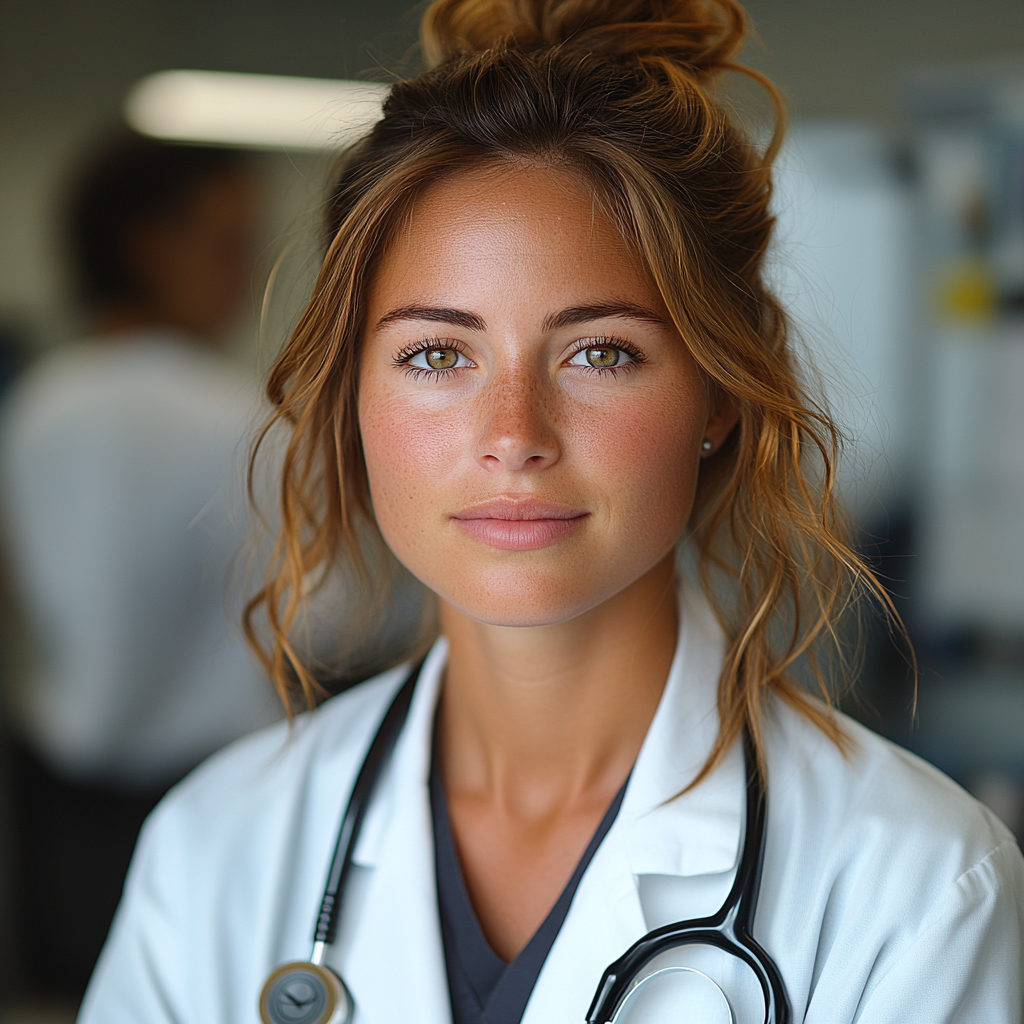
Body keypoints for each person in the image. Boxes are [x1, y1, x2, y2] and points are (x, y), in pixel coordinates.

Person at [80, 2, 1024, 1022]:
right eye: (437, 355)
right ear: (352, 396)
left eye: (599, 351)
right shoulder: (217, 846)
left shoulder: (915, 886)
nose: (513, 432)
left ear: (716, 395)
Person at [0, 133, 282, 994]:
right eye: (229, 245)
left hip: (54, 798)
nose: (246, 272)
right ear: (147, 246)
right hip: (227, 793)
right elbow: (343, 617)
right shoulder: (243, 424)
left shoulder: (33, 408)